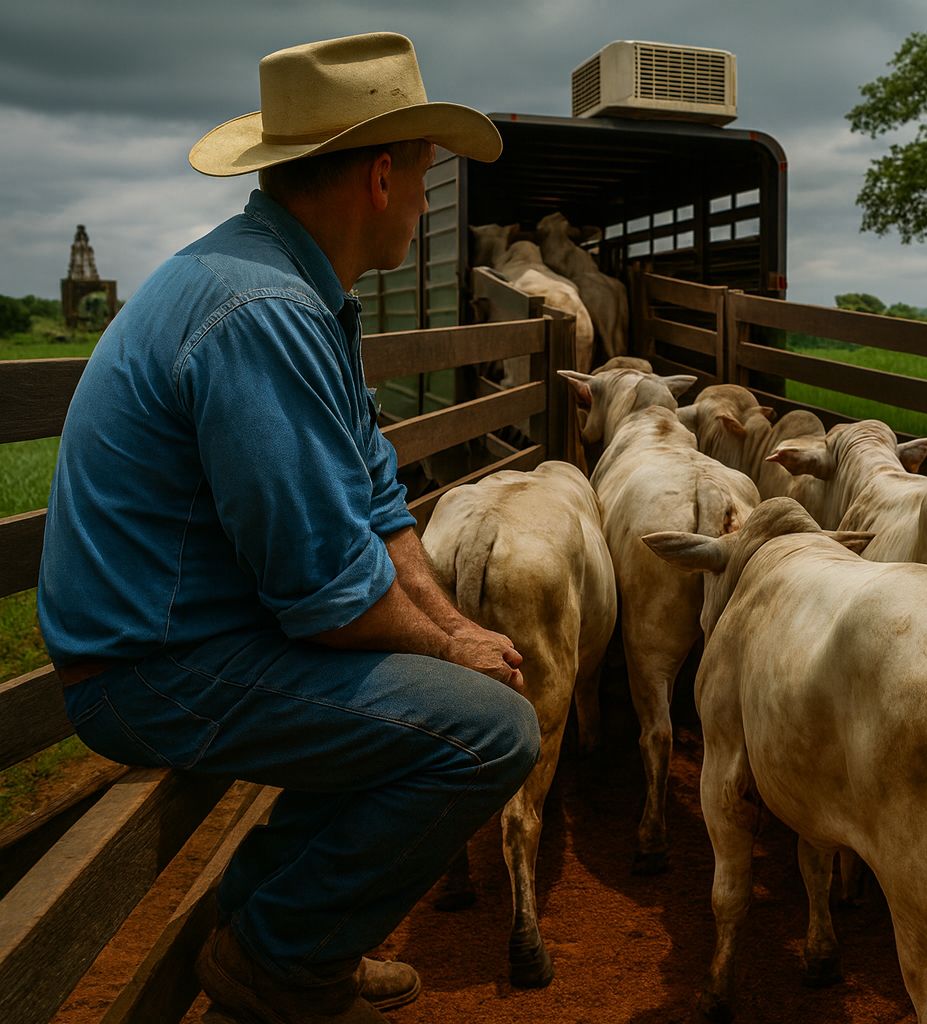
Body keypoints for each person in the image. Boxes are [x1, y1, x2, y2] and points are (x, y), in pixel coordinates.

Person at [37, 32, 539, 1024]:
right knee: (490, 732)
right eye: (428, 176)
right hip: (150, 665)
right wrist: (455, 658)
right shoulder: (261, 309)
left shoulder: (297, 291)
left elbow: (380, 506)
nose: (428, 200)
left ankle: (282, 926)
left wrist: (457, 634)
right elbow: (328, 597)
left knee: (449, 688)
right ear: (383, 174)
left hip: (198, 636)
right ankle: (281, 957)